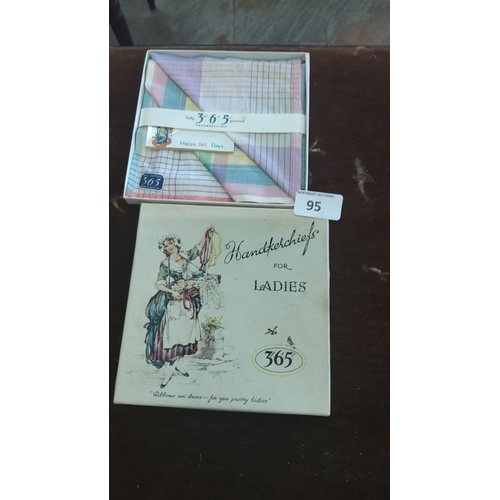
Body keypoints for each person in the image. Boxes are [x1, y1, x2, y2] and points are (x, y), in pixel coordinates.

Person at [144, 226, 215, 387]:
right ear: (164, 248)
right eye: (166, 245)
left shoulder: (185, 256)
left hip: (189, 302)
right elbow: (159, 284)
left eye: (171, 243)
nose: (169, 247)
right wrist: (172, 291)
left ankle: (179, 365)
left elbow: (198, 248)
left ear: (176, 244)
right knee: (174, 338)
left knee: (187, 336)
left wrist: (207, 234)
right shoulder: (165, 264)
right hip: (176, 305)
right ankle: (168, 373)